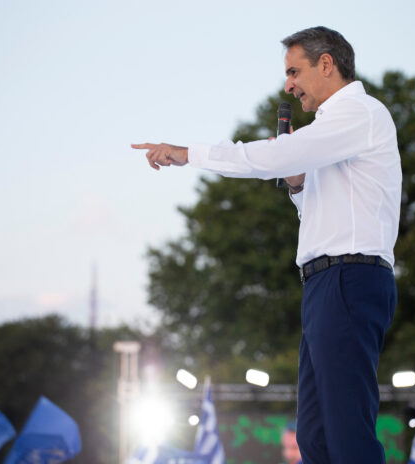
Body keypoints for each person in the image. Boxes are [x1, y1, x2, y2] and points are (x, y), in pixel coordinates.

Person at [132, 26, 400, 463]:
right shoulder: (329, 132)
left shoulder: (359, 112)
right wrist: (298, 186)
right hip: (325, 282)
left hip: (349, 278)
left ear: (326, 64)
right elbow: (322, 211)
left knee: (347, 431)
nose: (288, 85)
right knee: (314, 435)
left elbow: (271, 157)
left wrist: (187, 153)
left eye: (294, 71)